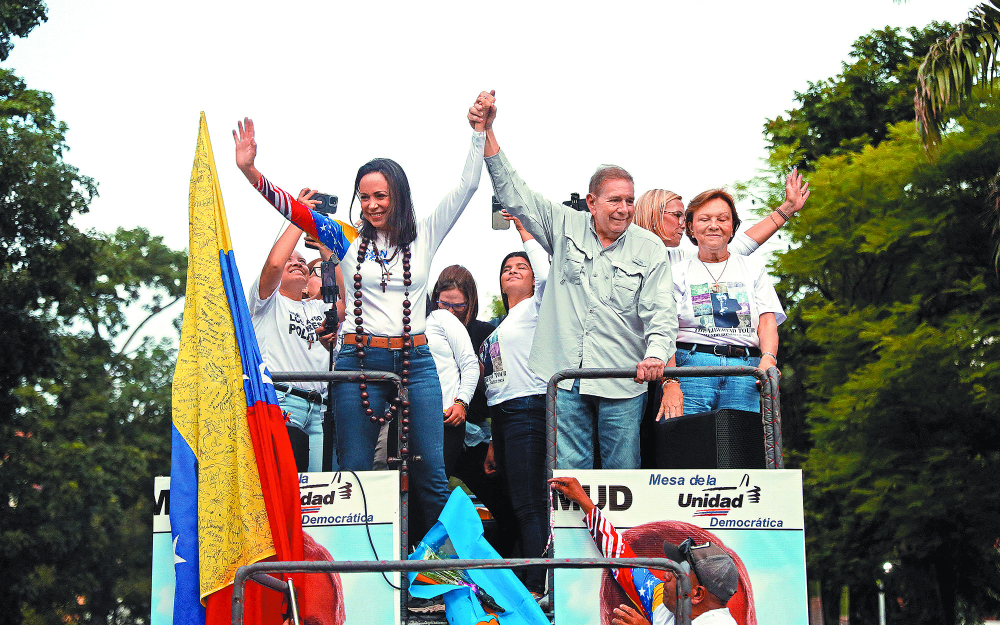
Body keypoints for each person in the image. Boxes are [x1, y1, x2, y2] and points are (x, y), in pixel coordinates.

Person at [234, 100, 486, 544]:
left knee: (430, 473)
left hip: (417, 360)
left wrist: (479, 132)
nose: (370, 205)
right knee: (352, 472)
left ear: (399, 196)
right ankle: (357, 580)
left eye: (380, 196)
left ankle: (433, 580)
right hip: (357, 360)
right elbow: (293, 210)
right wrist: (251, 172)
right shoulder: (347, 237)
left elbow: (467, 185)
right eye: (364, 197)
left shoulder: (424, 233)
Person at [470, 91, 675, 470]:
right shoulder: (564, 223)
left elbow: (661, 312)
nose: (625, 209)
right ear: (591, 202)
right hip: (564, 377)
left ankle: (618, 533)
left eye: (630, 201)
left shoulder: (650, 247)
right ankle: (570, 533)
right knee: (569, 477)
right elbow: (515, 194)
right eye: (615, 200)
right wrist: (488, 132)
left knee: (622, 475)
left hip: (623, 378)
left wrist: (656, 355)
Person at [658, 190, 786, 419]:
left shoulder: (753, 268)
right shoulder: (677, 272)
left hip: (745, 368)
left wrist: (768, 357)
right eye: (705, 219)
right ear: (690, 227)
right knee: (691, 444)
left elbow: (767, 320)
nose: (713, 225)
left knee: (738, 447)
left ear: (733, 226)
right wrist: (670, 380)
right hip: (691, 367)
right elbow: (665, 328)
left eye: (722, 219)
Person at [549, 477, 747, 625]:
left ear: (696, 594)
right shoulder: (667, 603)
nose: (666, 575)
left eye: (678, 572)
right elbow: (622, 558)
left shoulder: (719, 623)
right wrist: (585, 502)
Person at [480, 211, 550, 597]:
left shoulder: (540, 307)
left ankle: (539, 582)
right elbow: (495, 385)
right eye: (507, 267)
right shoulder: (502, 322)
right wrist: (493, 438)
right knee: (518, 501)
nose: (513, 270)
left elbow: (544, 266)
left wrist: (523, 228)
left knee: (530, 502)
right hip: (505, 418)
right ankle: (531, 577)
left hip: (531, 410)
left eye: (520, 266)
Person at [429, 265, 518, 558]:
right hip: (436, 428)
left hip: (477, 433)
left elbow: (498, 389)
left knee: (505, 506)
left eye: (459, 306)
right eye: (444, 304)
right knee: (430, 501)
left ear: (472, 303)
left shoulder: (485, 332)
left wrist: (494, 440)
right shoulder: (426, 328)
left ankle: (492, 571)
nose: (451, 312)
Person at [248, 222, 335, 472]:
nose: (296, 262)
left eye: (301, 260)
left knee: (317, 493)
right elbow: (274, 264)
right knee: (285, 484)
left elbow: (341, 296)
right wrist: (299, 218)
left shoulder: (318, 308)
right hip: (281, 401)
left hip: (318, 409)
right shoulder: (265, 302)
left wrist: (325, 250)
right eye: (290, 259)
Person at [632, 172, 810, 263]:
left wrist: (787, 209)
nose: (683, 224)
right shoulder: (620, 256)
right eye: (677, 215)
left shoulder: (680, 261)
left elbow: (742, 246)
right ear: (653, 215)